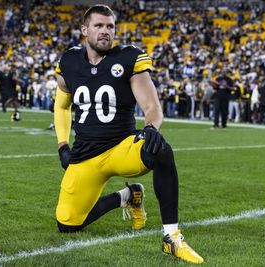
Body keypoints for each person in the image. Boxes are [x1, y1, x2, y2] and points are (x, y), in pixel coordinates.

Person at [54, 5, 203, 264]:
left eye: (110, 26)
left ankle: (171, 237)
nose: (105, 31)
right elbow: (62, 105)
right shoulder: (69, 61)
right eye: (99, 26)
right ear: (84, 30)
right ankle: (127, 196)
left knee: (161, 150)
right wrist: (62, 144)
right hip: (85, 155)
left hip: (121, 147)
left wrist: (151, 128)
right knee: (68, 224)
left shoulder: (128, 57)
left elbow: (152, 106)